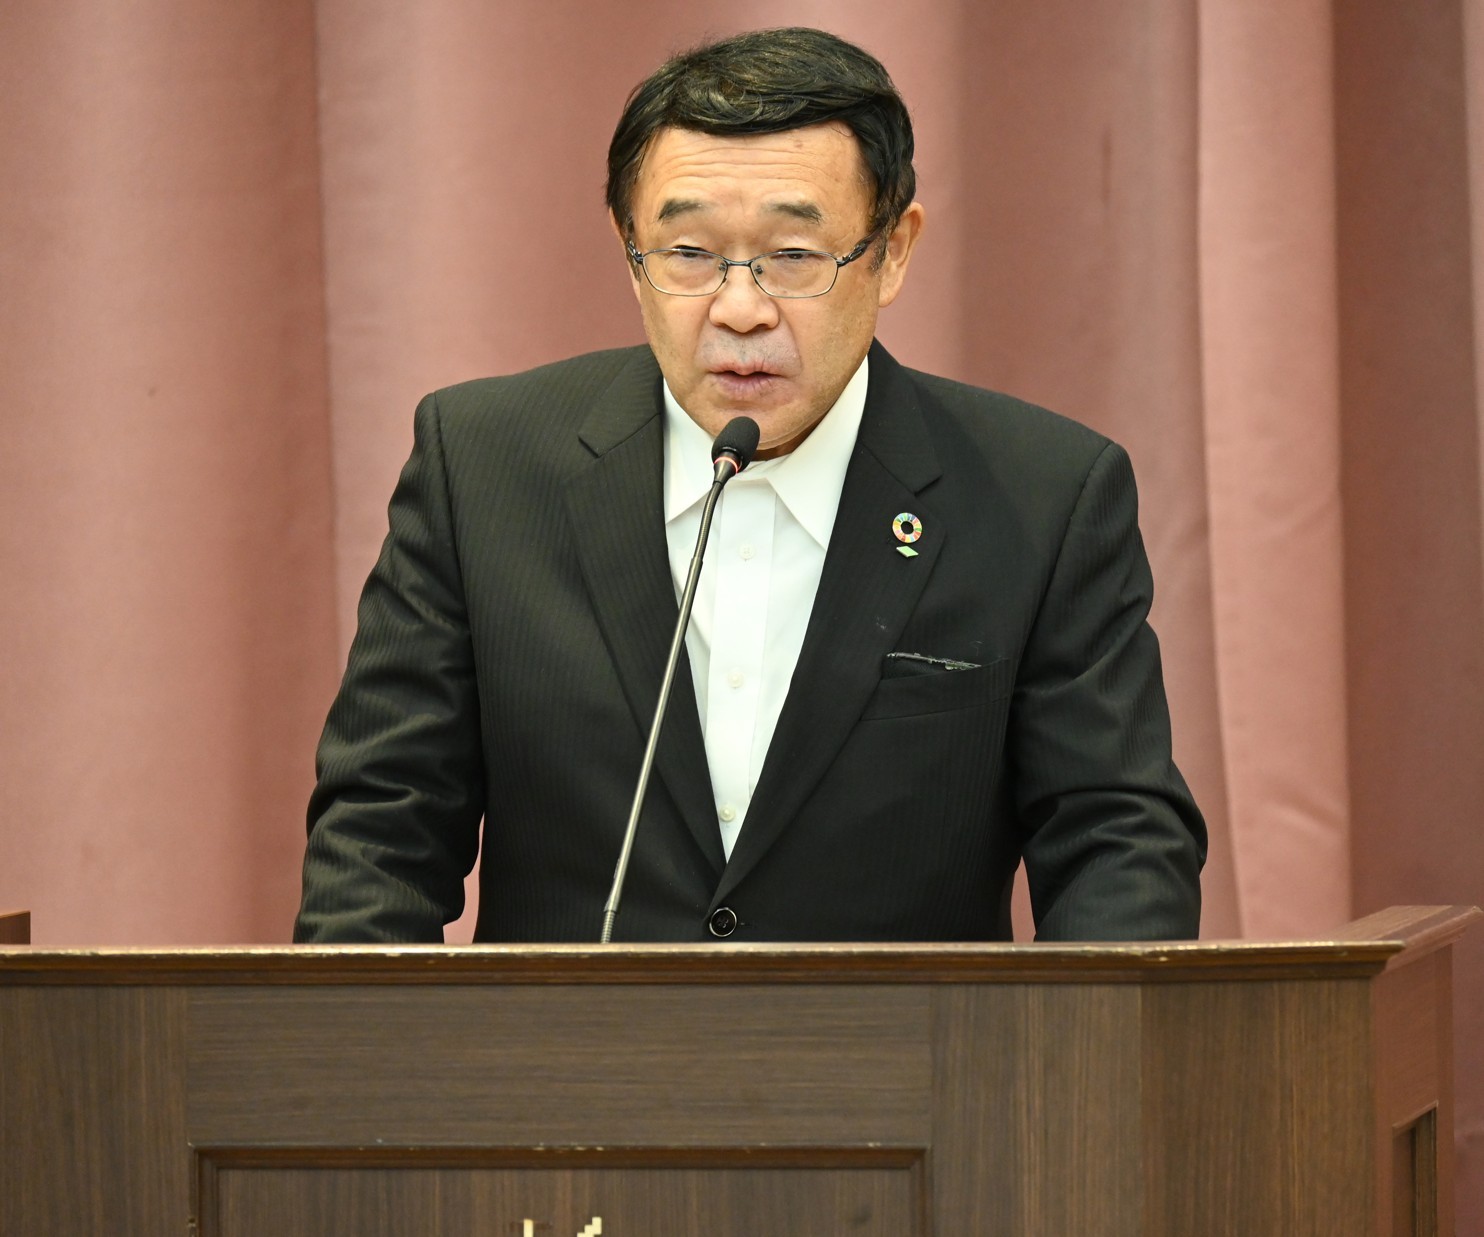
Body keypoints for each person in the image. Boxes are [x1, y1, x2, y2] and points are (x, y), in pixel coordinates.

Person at [293, 27, 1205, 945]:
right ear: (630, 251)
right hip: (570, 1042)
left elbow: (1118, 846)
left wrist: (1069, 1040)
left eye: (794, 256)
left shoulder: (1042, 497)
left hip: (903, 1044)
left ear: (892, 251)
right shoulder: (481, 468)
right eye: (689, 252)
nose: (739, 309)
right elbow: (379, 836)